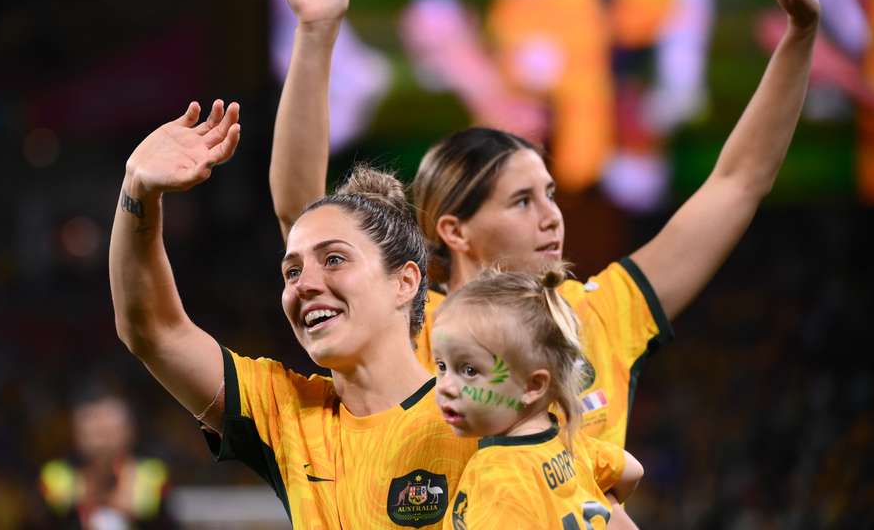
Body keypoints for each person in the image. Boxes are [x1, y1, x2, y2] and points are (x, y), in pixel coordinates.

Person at [269, 0, 820, 453]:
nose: (552, 216)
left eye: (550, 194)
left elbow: (738, 182)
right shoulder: (406, 325)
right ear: (454, 230)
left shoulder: (601, 316)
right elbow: (302, 216)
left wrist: (799, 36)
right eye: (522, 201)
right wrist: (316, 32)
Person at [109, 96, 477, 527]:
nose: (304, 284)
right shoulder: (288, 415)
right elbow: (152, 330)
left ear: (406, 281)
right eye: (292, 270)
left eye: (335, 259)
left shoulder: (480, 416)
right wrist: (137, 190)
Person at [432, 264, 643, 529]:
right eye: (441, 366)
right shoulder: (568, 443)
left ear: (533, 386)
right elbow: (632, 469)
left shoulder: (501, 480)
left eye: (469, 370)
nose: (445, 386)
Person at [38, 386, 177, 529]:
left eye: (110, 432)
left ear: (129, 431)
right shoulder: (57, 474)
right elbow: (56, 514)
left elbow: (152, 515)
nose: (104, 442)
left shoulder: (152, 472)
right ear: (76, 434)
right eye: (96, 433)